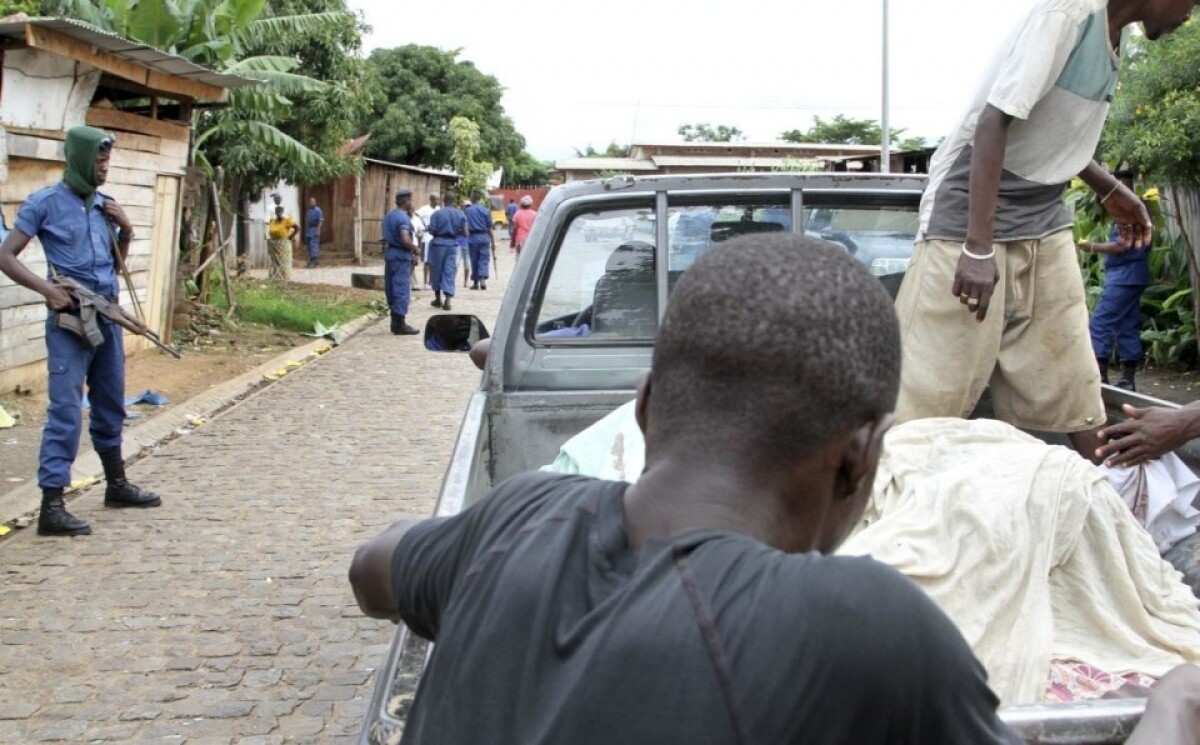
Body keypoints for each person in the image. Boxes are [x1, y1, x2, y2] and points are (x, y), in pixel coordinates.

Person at [351, 234, 1030, 743]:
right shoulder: (863, 629)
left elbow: (371, 570)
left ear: (645, 407)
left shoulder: (518, 513)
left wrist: (475, 567)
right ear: (863, 459)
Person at [891, 0, 1195, 463]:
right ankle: (881, 518)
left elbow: (1052, 134)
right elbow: (995, 122)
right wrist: (977, 248)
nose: (1188, 16)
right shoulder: (1068, 16)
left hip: (1045, 215)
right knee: (926, 403)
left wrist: (1109, 187)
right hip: (973, 214)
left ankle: (1110, 503)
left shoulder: (1115, 35)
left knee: (1073, 389)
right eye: (1191, 3)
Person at [0, 126, 162, 537]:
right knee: (66, 411)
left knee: (110, 402)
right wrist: (46, 290)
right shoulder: (45, 203)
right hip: (69, 321)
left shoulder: (105, 205)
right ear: (78, 159)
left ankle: (116, 484)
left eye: (108, 160)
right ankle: (51, 506)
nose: (104, 167)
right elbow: (5, 255)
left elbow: (114, 264)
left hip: (107, 315)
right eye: (98, 160)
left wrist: (126, 230)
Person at [1081, 169, 1151, 391]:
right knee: (1126, 325)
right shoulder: (1133, 210)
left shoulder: (1133, 211)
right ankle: (1128, 380)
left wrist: (1091, 246)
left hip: (1125, 277)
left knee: (1099, 322)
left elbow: (1122, 245)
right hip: (1130, 276)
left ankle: (1100, 376)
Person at [382, 190, 420, 336]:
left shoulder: (389, 216)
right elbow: (405, 238)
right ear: (407, 202)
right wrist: (415, 249)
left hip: (390, 253)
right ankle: (400, 324)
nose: (412, 203)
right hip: (401, 255)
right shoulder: (403, 218)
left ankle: (394, 322)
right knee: (401, 288)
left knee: (390, 288)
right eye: (411, 201)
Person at [426, 196, 467, 311]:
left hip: (438, 244)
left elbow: (432, 230)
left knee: (436, 270)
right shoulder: (460, 214)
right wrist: (455, 232)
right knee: (449, 270)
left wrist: (430, 229)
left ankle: (438, 299)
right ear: (454, 201)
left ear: (444, 201)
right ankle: (448, 300)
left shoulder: (437, 214)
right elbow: (466, 232)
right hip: (452, 245)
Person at [464, 189, 495, 290]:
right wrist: (493, 242)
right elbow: (490, 227)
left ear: (472, 198)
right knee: (484, 258)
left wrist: (466, 236)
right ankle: (482, 279)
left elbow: (465, 226)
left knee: (474, 259)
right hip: (484, 237)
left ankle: (476, 282)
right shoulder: (486, 210)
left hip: (473, 237)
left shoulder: (468, 211)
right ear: (480, 198)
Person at [266, 205, 298, 281]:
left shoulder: (287, 220)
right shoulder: (272, 221)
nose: (279, 213)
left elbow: (297, 228)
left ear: (282, 212)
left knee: (284, 262)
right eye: (277, 211)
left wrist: (290, 237)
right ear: (275, 212)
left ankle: (284, 277)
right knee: (274, 262)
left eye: (280, 211)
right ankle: (275, 277)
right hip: (273, 245)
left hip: (283, 245)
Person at [415, 194, 440, 292]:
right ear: (430, 200)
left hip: (436, 237)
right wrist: (423, 225)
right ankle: (425, 283)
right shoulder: (424, 209)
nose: (436, 201)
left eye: (438, 199)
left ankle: (431, 282)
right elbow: (415, 214)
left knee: (434, 261)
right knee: (427, 261)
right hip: (427, 237)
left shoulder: (439, 209)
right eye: (435, 199)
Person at [304, 197, 323, 268]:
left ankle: (314, 261)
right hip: (309, 230)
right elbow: (307, 222)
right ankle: (313, 261)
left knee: (314, 245)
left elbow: (320, 221)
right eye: (310, 202)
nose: (312, 203)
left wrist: (318, 230)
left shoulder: (318, 210)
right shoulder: (309, 211)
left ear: (315, 202)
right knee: (309, 246)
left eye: (313, 202)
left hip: (315, 229)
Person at [458, 200, 472, 288]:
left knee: (467, 264)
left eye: (468, 206)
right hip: (458, 242)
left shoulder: (470, 217)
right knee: (455, 264)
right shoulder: (459, 216)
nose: (467, 208)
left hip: (466, 243)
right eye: (466, 206)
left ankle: (465, 282)